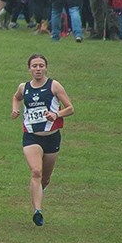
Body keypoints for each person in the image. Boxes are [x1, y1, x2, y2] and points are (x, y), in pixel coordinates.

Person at [13, 54, 73, 226]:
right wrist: (16, 110)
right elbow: (16, 97)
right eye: (34, 66)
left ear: (46, 67)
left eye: (41, 66)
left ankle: (38, 190)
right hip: (31, 137)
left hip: (52, 138)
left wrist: (56, 114)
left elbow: (70, 108)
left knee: (45, 178)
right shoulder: (24, 87)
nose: (38, 69)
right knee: (36, 172)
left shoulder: (54, 85)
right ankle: (38, 211)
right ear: (29, 68)